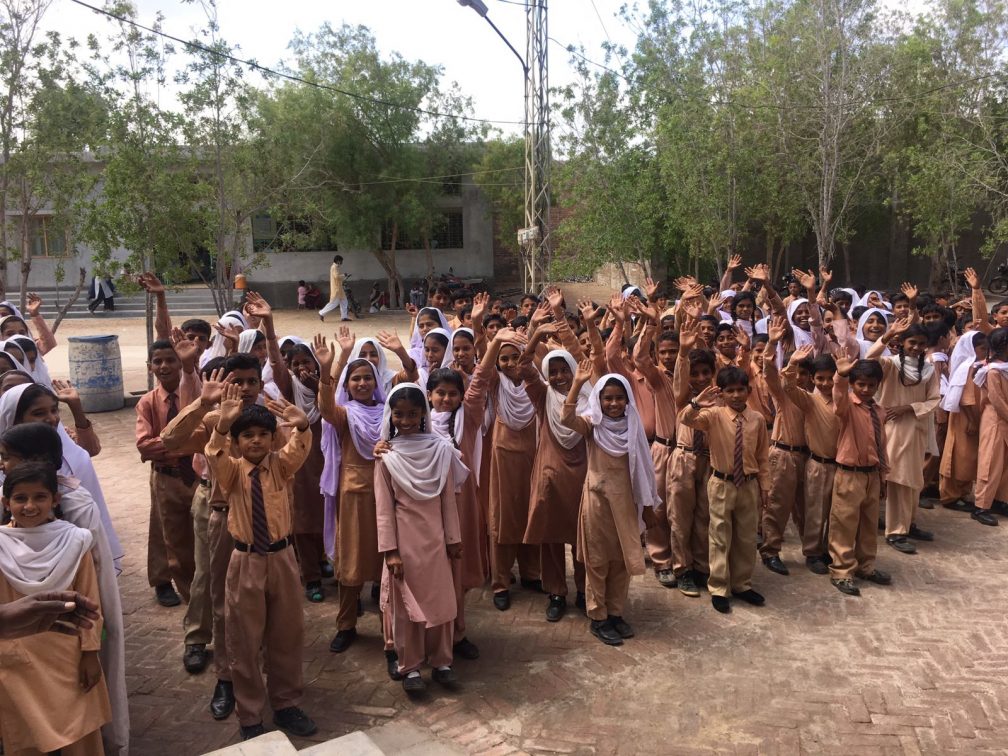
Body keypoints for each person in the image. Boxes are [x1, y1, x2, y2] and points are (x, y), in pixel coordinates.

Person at [205, 384, 316, 741]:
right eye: (247, 436)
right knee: (244, 639)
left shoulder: (281, 466)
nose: (255, 442)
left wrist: (302, 426)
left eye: (263, 435)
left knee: (287, 633)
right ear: (237, 443)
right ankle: (250, 711)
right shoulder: (232, 471)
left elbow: (298, 449)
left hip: (282, 558)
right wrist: (222, 427)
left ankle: (286, 703)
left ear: (272, 438)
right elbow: (215, 455)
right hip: (246, 561)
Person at [0, 463, 112, 754]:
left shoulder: (74, 541)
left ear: (55, 500)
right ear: (5, 502)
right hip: (15, 655)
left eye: (39, 497)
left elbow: (90, 602)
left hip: (67, 654)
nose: (29, 506)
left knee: (81, 736)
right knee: (25, 737)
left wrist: (90, 653)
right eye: (20, 498)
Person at [373, 383, 467, 693]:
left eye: (413, 414)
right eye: (399, 414)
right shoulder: (386, 455)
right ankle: (409, 666)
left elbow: (447, 500)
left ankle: (442, 661)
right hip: (405, 542)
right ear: (391, 415)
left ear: (423, 414)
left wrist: (453, 538)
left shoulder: (441, 449)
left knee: (440, 600)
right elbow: (384, 509)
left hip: (436, 539)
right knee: (406, 608)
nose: (406, 420)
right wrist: (390, 551)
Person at [561, 365, 659, 645]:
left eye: (619, 398)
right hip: (598, 504)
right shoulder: (593, 424)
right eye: (608, 398)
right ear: (599, 401)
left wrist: (649, 505)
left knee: (621, 560)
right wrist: (578, 383)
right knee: (598, 561)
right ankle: (598, 616)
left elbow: (644, 467)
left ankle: (616, 613)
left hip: (627, 504)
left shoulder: (633, 426)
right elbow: (566, 418)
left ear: (627, 399)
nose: (614, 404)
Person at [680, 366, 770, 614]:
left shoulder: (758, 420)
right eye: (730, 390)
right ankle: (719, 587)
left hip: (749, 484)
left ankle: (742, 583)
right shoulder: (714, 415)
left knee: (746, 536)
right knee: (720, 534)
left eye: (741, 390)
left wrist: (765, 486)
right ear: (722, 392)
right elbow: (685, 419)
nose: (736, 395)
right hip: (721, 482)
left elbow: (762, 456)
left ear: (748, 390)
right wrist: (698, 402)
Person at [865, 320, 940, 553]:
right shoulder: (890, 365)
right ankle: (896, 532)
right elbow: (869, 359)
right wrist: (887, 336)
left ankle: (909, 523)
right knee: (897, 479)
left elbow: (934, 399)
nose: (916, 347)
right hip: (891, 429)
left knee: (912, 479)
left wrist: (908, 407)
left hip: (915, 428)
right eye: (912, 342)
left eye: (921, 344)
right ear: (902, 343)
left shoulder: (927, 369)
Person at [136, 339, 197, 610]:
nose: (164, 366)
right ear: (150, 367)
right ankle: (163, 580)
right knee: (164, 529)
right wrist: (180, 443)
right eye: (157, 361)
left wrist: (166, 443)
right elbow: (144, 445)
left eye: (170, 360)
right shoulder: (148, 402)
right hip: (166, 476)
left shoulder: (194, 394)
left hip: (196, 475)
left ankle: (198, 583)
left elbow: (204, 436)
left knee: (198, 531)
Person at [827, 355, 893, 596]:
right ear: (853, 384)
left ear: (878, 385)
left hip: (872, 475)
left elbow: (881, 444)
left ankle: (867, 565)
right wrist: (841, 376)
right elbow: (839, 398)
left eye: (871, 385)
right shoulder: (846, 407)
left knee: (868, 524)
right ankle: (842, 571)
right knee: (844, 523)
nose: (865, 389)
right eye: (861, 384)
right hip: (850, 474)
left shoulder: (879, 410)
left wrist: (883, 475)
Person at [973, 327, 1008, 518]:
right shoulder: (993, 371)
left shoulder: (1004, 368)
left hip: (1006, 420)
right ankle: (982, 505)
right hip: (995, 420)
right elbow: (997, 400)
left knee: (1004, 464)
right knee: (991, 462)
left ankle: (1000, 499)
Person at [0, 590, 99, 640]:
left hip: (65, 643)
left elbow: (89, 590)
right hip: (14, 644)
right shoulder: (4, 553)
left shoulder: (76, 552)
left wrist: (90, 650)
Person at [319, 255, 351, 322]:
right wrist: (344, 275)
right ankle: (321, 313)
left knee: (344, 302)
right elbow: (336, 277)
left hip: (339, 288)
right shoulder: (334, 267)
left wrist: (345, 277)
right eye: (341, 261)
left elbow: (338, 278)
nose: (341, 263)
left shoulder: (335, 267)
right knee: (333, 303)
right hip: (337, 289)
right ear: (338, 261)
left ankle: (344, 317)